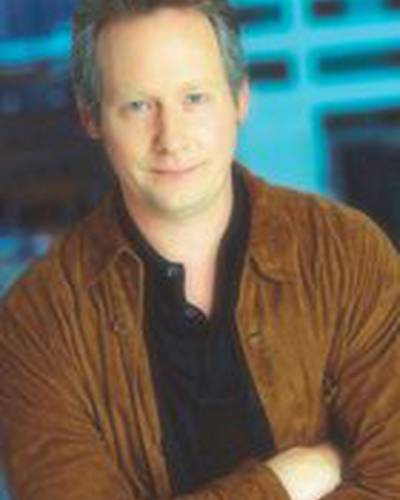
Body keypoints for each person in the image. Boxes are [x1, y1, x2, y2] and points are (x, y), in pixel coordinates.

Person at [0, 0, 399, 498]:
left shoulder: (346, 254)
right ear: (91, 116)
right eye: (138, 105)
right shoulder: (37, 324)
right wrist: (283, 482)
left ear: (240, 99)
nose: (171, 138)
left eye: (194, 98)